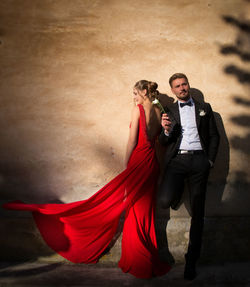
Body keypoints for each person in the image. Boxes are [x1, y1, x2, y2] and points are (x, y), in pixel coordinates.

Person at [3, 80, 170, 279]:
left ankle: (138, 260)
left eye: (135, 92)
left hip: (138, 162)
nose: (133, 97)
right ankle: (148, 256)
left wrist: (126, 166)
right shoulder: (160, 111)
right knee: (146, 211)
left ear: (144, 91)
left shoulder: (138, 110)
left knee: (134, 212)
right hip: (152, 165)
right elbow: (158, 140)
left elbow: (132, 141)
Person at [158, 73, 220, 280]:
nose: (182, 88)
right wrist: (166, 131)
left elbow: (214, 136)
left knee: (198, 211)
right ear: (173, 91)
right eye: (177, 86)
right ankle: (177, 195)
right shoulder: (170, 110)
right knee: (165, 200)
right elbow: (163, 141)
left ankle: (191, 260)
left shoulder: (205, 107)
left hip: (199, 162)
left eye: (184, 84)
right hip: (177, 161)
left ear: (188, 85)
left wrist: (209, 161)